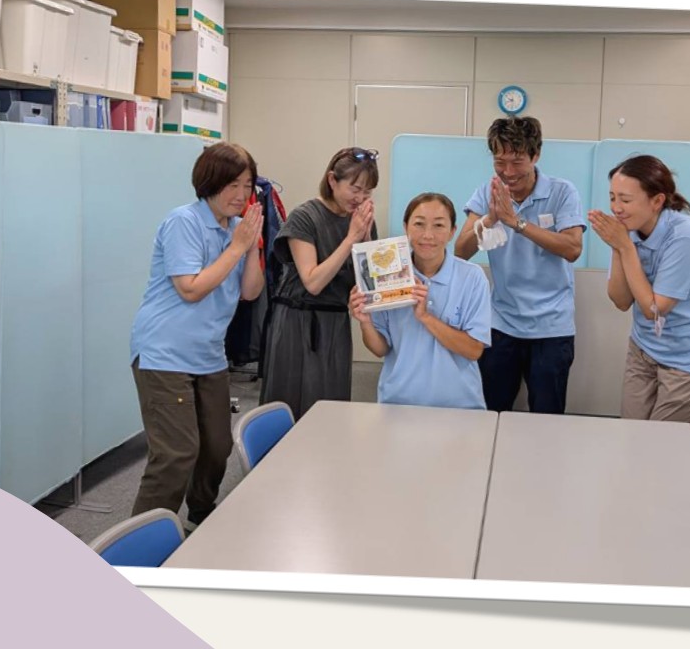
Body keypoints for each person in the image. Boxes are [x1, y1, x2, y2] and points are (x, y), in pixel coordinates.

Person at [127, 142, 265, 530]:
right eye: (232, 185)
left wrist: (251, 247)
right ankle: (143, 541)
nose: (241, 194)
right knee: (177, 453)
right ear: (209, 183)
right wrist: (237, 247)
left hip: (208, 353)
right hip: (164, 352)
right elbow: (190, 288)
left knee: (217, 446)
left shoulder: (237, 229)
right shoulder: (183, 222)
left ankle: (199, 517)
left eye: (247, 185)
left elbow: (250, 291)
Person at [453, 116, 586, 414]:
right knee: (490, 413)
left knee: (546, 418)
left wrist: (516, 223)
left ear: (535, 155)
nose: (508, 172)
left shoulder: (562, 192)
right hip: (501, 323)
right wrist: (491, 219)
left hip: (552, 327)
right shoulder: (488, 192)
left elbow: (572, 248)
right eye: (500, 162)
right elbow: (461, 250)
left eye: (517, 162)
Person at [587, 154, 690, 429]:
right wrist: (618, 246)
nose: (616, 208)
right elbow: (620, 301)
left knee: (664, 444)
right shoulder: (629, 230)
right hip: (644, 348)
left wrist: (625, 246)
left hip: (689, 357)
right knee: (632, 435)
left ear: (657, 201)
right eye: (612, 198)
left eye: (625, 200)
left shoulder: (686, 236)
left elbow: (654, 310)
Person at [259, 147, 380, 420]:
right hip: (297, 321)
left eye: (368, 192)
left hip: (335, 322)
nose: (360, 198)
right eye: (355, 189)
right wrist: (351, 239)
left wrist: (366, 239)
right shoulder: (304, 216)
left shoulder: (360, 221)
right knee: (291, 403)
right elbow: (313, 282)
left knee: (331, 405)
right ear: (332, 180)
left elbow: (368, 282)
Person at [351, 193, 492, 410]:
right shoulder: (385, 276)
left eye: (439, 225)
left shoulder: (472, 277)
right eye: (419, 224)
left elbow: (474, 350)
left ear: (452, 231)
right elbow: (380, 349)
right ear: (406, 227)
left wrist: (425, 317)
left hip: (460, 407)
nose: (428, 235)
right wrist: (365, 322)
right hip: (398, 404)